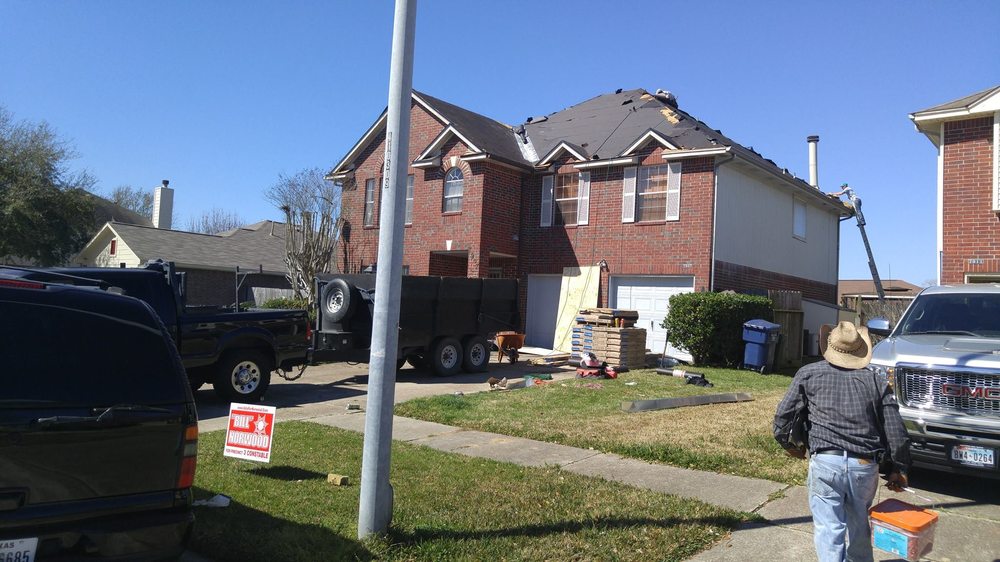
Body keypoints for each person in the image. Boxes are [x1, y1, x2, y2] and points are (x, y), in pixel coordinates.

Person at [774, 321, 910, 562]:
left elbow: (783, 417)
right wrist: (898, 468)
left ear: (828, 346)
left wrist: (790, 446)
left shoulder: (808, 373)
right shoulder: (877, 381)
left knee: (829, 528)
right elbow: (895, 429)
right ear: (860, 351)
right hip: (864, 465)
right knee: (859, 526)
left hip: (825, 462)